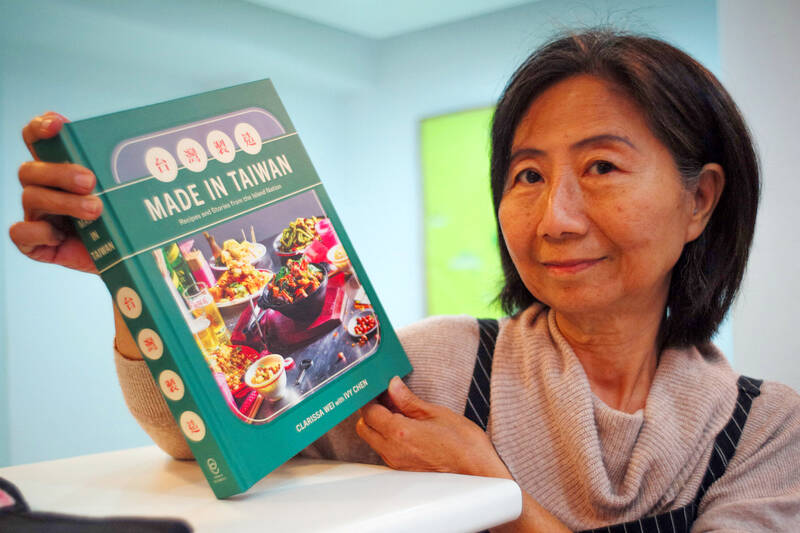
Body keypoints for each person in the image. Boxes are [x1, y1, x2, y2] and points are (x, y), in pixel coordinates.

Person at [10, 29, 800, 532]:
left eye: (600, 166)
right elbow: (203, 438)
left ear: (700, 200)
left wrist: (496, 495)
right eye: (527, 175)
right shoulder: (438, 367)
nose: (554, 218)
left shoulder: (765, 430)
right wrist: (136, 279)